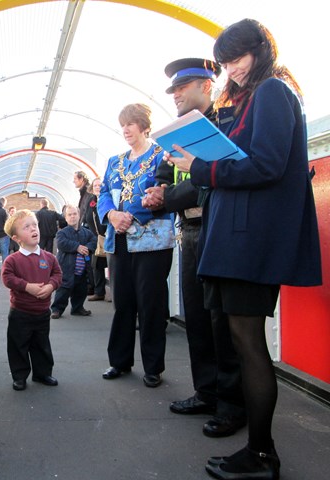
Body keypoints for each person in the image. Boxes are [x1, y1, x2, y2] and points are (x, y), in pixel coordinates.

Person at [167, 19, 321, 480]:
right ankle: (258, 451)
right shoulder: (258, 94)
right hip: (239, 239)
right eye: (226, 62)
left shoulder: (272, 91)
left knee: (250, 347)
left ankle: (262, 454)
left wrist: (202, 168)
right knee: (243, 342)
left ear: (260, 51)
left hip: (249, 240)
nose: (231, 70)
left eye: (237, 59)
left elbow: (269, 165)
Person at [142, 58, 246, 438]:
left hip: (218, 230)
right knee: (198, 317)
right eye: (172, 91)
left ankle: (233, 405)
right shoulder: (179, 133)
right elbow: (167, 173)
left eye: (182, 88)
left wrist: (169, 195)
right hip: (189, 231)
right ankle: (207, 391)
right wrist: (157, 191)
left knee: (223, 321)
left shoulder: (229, 122)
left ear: (207, 85)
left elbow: (215, 177)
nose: (176, 96)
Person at [97, 103, 175, 389]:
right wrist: (111, 214)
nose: (126, 129)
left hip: (151, 242)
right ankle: (119, 361)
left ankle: (153, 367)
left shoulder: (161, 156)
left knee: (151, 305)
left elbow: (163, 191)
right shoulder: (114, 161)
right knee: (123, 303)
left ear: (144, 126)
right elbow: (104, 191)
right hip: (118, 241)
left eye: (131, 123)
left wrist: (129, 214)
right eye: (123, 124)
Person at [1, 209, 63, 391]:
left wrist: (51, 286)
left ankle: (43, 373)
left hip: (43, 312)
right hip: (20, 312)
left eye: (34, 225)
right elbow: (7, 278)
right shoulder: (12, 260)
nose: (33, 229)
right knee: (18, 345)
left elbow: (58, 275)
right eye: (26, 227)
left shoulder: (49, 257)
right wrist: (27, 286)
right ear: (16, 238)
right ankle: (19, 376)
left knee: (41, 344)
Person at [50, 205, 96, 319]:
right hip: (67, 268)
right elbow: (61, 243)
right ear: (65, 218)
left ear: (79, 215)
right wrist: (77, 247)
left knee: (81, 290)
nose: (72, 217)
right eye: (69, 215)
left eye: (75, 214)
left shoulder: (87, 232)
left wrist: (87, 248)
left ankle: (77, 308)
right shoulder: (62, 233)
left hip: (82, 269)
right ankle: (57, 309)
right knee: (63, 290)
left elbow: (94, 241)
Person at [86, 177, 109, 302]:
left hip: (110, 236)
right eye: (95, 185)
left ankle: (117, 293)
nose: (97, 187)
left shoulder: (108, 198)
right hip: (97, 238)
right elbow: (87, 216)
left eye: (100, 185)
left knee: (113, 265)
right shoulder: (91, 201)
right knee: (96, 265)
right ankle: (99, 292)